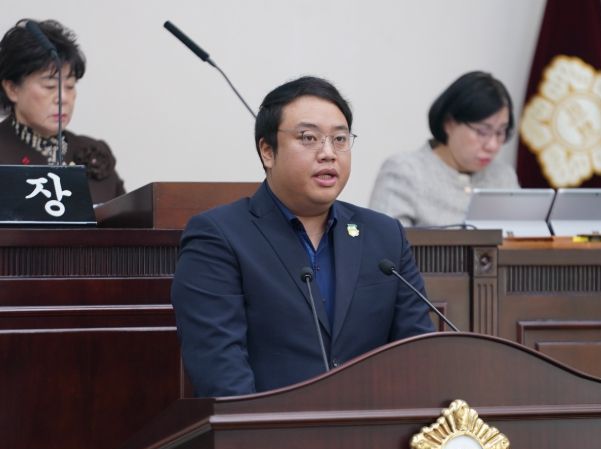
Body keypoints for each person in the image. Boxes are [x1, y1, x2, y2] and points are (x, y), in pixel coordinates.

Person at [171, 76, 435, 397]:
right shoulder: (218, 237)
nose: (329, 153)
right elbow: (220, 369)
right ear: (267, 151)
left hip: (371, 425)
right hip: (269, 426)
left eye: (340, 139)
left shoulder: (384, 235)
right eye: (309, 138)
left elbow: (418, 354)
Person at [369, 71, 519, 227]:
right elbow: (383, 240)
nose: (493, 145)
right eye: (482, 132)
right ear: (449, 123)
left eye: (500, 132)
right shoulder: (406, 172)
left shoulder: (503, 177)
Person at [0, 19, 124, 204]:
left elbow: (128, 220)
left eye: (70, 86)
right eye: (50, 86)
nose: (63, 98)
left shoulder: (96, 153)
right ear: (12, 89)